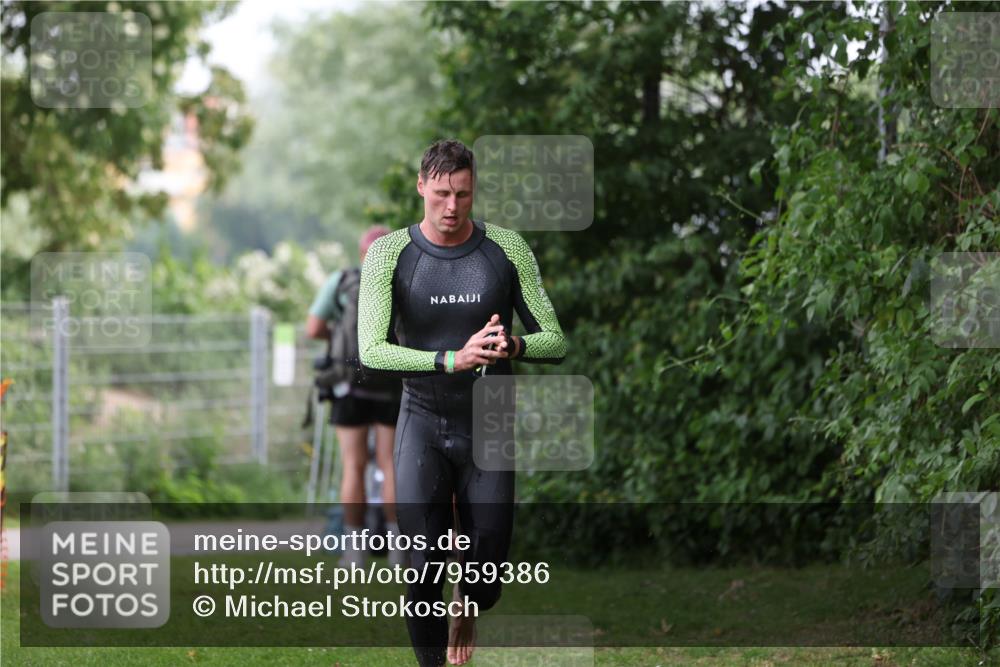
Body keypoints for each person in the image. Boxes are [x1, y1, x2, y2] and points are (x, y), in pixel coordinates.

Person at [358, 140, 566, 666]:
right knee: (421, 568)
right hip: (422, 418)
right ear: (421, 187)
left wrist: (511, 346)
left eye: (464, 195)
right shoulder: (389, 254)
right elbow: (371, 352)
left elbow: (556, 341)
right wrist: (453, 359)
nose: (452, 206)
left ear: (474, 191)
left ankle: (468, 603)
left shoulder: (506, 248)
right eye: (442, 194)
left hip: (488, 420)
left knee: (486, 576)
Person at [306, 225, 405, 568]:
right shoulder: (403, 284)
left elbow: (313, 328)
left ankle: (354, 553)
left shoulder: (343, 282)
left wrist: (338, 337)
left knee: (353, 465)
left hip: (349, 385)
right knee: (391, 466)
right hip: (391, 386)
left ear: (362, 253)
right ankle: (398, 552)